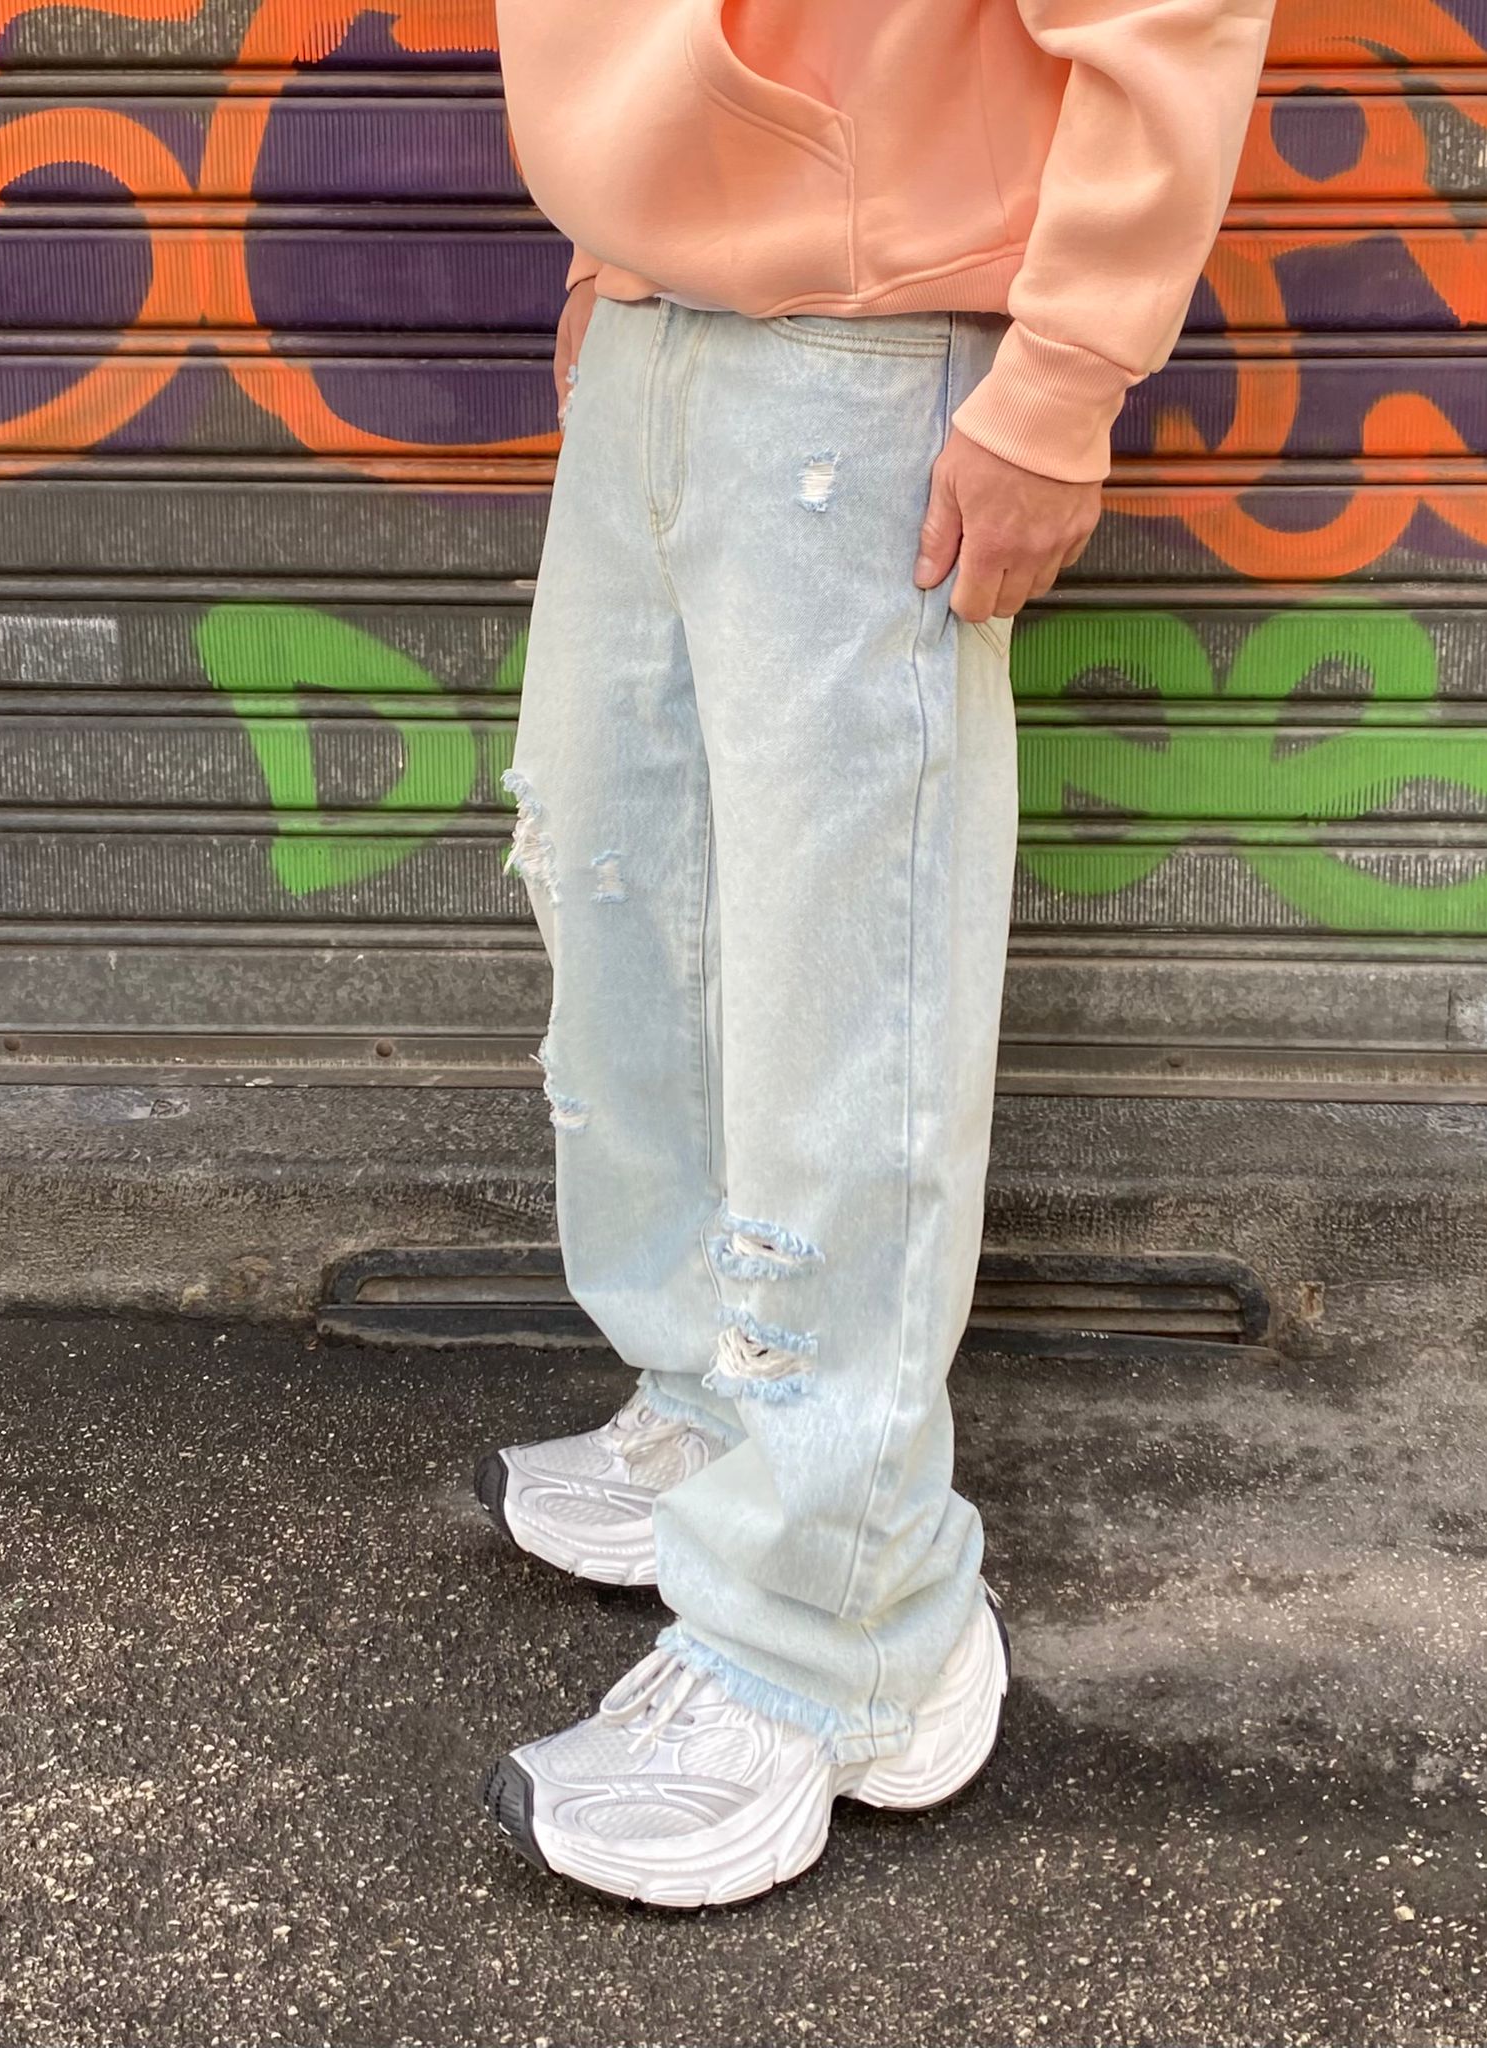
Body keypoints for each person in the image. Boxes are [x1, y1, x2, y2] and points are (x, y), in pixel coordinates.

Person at [476, 0, 1275, 1907]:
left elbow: (1168, 18)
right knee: (628, 915)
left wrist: (1059, 379)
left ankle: (841, 1631)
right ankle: (716, 1409)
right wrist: (614, 254)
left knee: (847, 999)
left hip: (870, 342)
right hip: (664, 313)